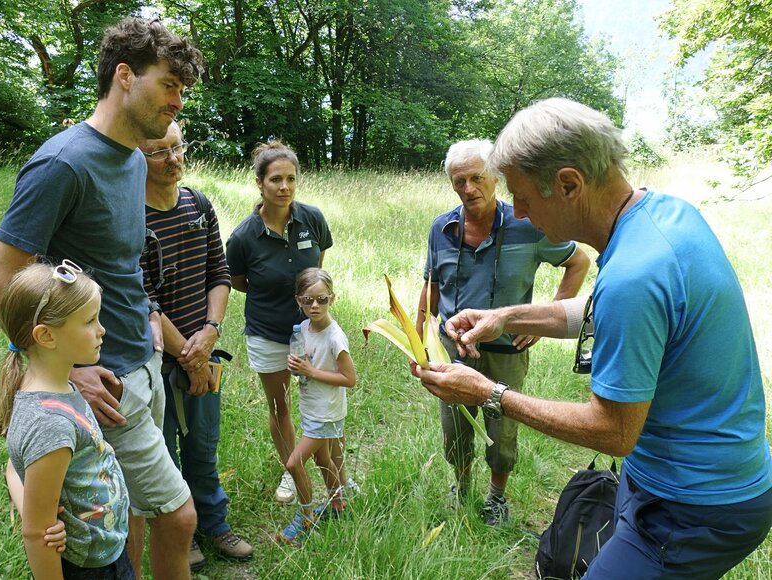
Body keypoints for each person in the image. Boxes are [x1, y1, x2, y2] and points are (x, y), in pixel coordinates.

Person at [414, 98, 772, 578]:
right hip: (686, 483)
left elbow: (614, 431)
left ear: (568, 184)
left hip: (692, 505)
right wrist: (506, 316)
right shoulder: (664, 216)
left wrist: (489, 393)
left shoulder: (633, 276)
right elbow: (612, 310)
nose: (516, 209)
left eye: (521, 195)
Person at [0, 18, 205, 580]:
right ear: (124, 76)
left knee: (128, 512)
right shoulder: (64, 163)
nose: (177, 101)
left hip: (139, 360)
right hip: (101, 381)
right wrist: (65, 368)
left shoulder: (132, 157)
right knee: (179, 517)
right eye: (168, 84)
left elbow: (120, 266)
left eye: (182, 90)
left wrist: (152, 322)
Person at [414, 139, 590, 526]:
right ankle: (460, 488)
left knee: (503, 427)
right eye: (459, 181)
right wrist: (419, 338)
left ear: (495, 177)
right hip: (452, 350)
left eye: (477, 178)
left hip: (506, 351)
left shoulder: (528, 226)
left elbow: (579, 262)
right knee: (455, 426)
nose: (468, 189)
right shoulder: (441, 228)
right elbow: (431, 284)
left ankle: (496, 497)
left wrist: (542, 320)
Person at [139, 121, 253, 570]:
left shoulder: (198, 205)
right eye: (158, 152)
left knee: (204, 446)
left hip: (203, 350)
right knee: (163, 454)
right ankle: (178, 534)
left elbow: (219, 275)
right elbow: (142, 298)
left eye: (177, 147)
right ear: (137, 158)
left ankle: (213, 522)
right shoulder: (130, 218)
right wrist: (189, 355)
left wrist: (210, 332)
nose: (173, 159)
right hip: (158, 363)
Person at [0, 261, 133, 579]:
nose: (102, 330)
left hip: (104, 551)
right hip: (90, 568)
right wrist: (37, 518)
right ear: (46, 336)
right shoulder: (50, 423)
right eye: (89, 321)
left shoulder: (54, 387)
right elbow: (36, 535)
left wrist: (99, 452)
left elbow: (14, 467)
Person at [225, 141, 341, 505]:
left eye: (291, 178)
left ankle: (337, 476)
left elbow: (316, 269)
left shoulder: (312, 219)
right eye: (275, 179)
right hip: (269, 333)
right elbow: (240, 282)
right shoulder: (243, 237)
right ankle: (294, 473)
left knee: (323, 402)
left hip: (313, 332)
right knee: (281, 406)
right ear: (259, 183)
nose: (284, 187)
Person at [277, 268, 357, 545]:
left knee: (293, 463)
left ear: (332, 298)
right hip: (312, 410)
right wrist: (298, 368)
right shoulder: (302, 331)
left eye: (321, 299)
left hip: (326, 413)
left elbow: (350, 379)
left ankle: (306, 515)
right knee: (324, 461)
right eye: (308, 300)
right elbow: (306, 365)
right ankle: (337, 505)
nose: (314, 306)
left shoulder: (335, 337)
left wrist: (310, 372)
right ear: (298, 300)